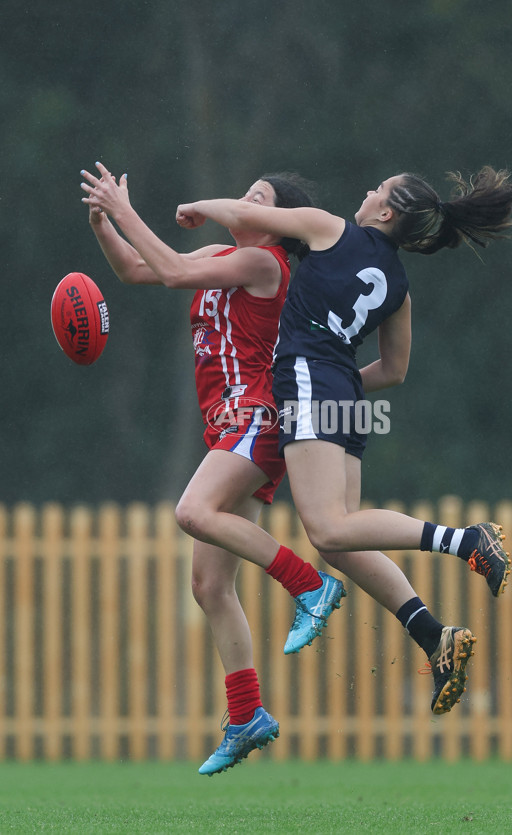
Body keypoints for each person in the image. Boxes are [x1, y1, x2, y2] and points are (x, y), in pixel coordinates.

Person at [170, 164, 512, 714]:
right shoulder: (399, 287)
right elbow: (396, 370)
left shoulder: (330, 228)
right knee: (341, 539)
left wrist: (200, 207)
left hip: (311, 383)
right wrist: (343, 381)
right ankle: (434, 636)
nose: (366, 190)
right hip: (344, 394)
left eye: (377, 190)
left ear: (386, 212)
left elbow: (244, 215)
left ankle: (467, 541)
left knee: (328, 528)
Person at [81, 163, 346, 775]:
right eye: (245, 194)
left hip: (259, 416)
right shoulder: (221, 255)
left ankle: (310, 584)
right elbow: (137, 269)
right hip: (229, 429)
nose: (244, 202)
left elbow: (173, 272)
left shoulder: (266, 264)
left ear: (277, 224)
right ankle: (247, 714)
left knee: (191, 512)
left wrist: (127, 206)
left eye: (258, 199)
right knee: (209, 585)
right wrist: (104, 223)